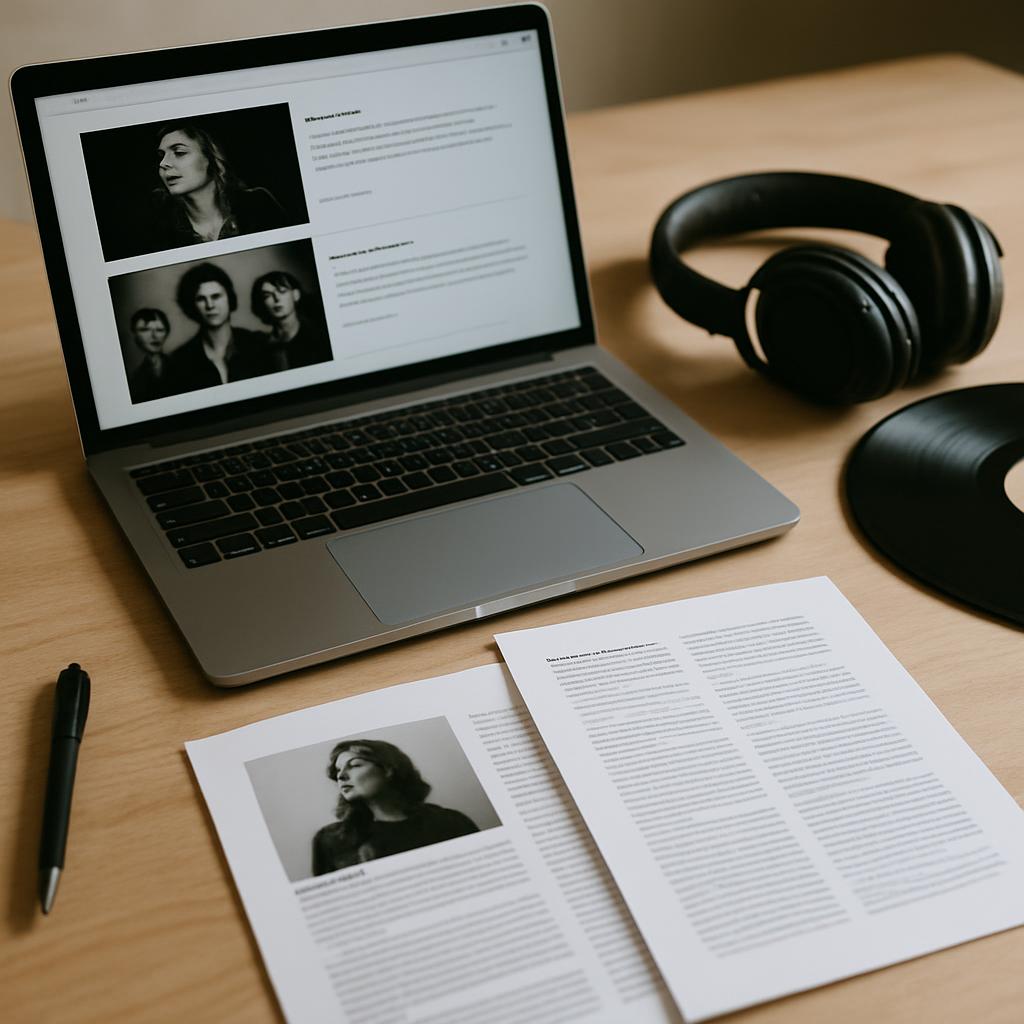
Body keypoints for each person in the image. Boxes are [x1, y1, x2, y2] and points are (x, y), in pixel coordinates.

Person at [312, 739, 479, 875]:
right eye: (338, 770)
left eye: (355, 765)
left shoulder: (451, 823)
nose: (341, 776)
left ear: (388, 770)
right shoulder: (331, 840)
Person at [150, 122, 288, 250]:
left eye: (179, 152)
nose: (163, 163)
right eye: (161, 156)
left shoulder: (258, 203)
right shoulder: (158, 229)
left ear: (210, 158)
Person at [164, 262, 268, 395]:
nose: (210, 305)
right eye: (201, 299)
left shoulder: (260, 343)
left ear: (230, 299)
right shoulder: (179, 361)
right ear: (191, 306)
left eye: (216, 296)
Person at [250, 270, 332, 371]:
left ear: (296, 295)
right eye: (267, 296)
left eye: (282, 291)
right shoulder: (261, 348)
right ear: (261, 304)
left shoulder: (320, 336)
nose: (276, 299)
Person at [126, 307, 170, 403]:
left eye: (160, 330)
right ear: (135, 335)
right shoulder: (135, 379)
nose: (154, 336)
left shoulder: (183, 365)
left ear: (167, 333)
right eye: (145, 330)